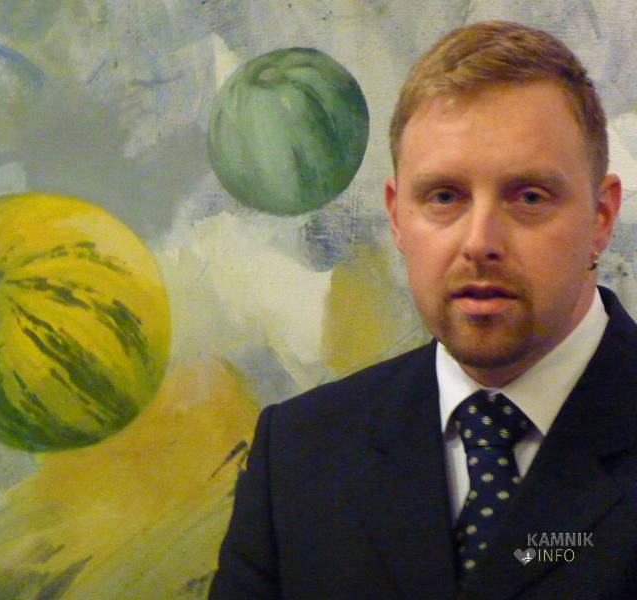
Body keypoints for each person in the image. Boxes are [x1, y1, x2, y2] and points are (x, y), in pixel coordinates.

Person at [209, 20, 637, 600]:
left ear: (601, 216)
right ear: (396, 216)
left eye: (530, 196)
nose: (479, 242)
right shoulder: (298, 455)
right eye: (444, 197)